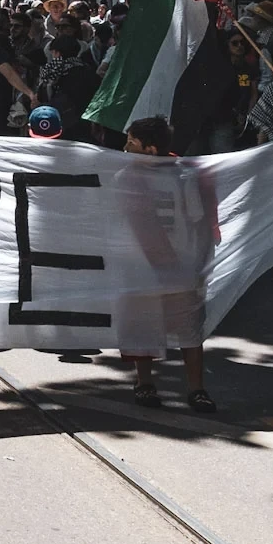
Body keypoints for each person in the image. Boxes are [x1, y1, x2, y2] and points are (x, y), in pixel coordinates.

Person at [114, 117, 217, 412]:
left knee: (190, 329)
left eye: (132, 142)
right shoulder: (125, 178)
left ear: (150, 148)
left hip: (180, 267)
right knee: (140, 327)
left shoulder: (183, 176)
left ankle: (197, 389)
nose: (125, 147)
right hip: (138, 269)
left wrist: (199, 265)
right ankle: (144, 383)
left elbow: (199, 224)